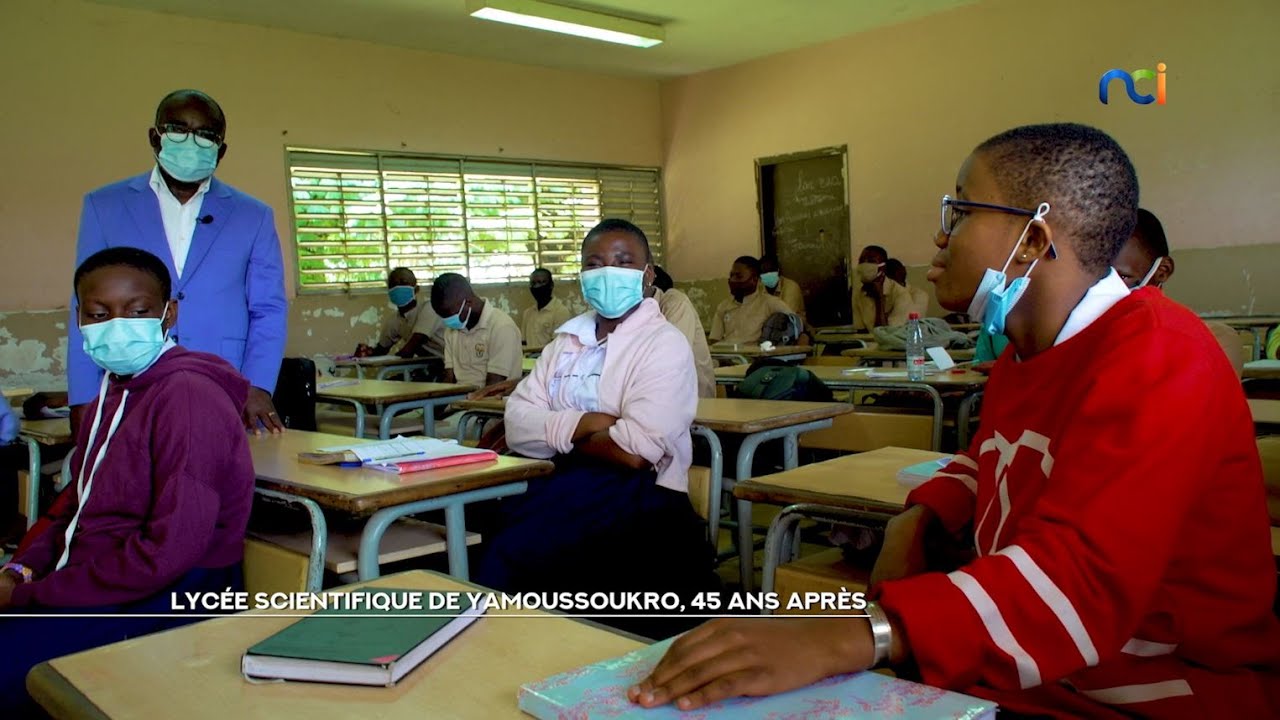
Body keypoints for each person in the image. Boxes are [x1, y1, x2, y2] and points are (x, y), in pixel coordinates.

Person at [630, 123, 1280, 717]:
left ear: (1032, 239)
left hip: (1151, 693)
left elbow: (1077, 589)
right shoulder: (1031, 352)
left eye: (962, 210)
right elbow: (990, 458)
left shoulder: (1160, 352)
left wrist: (856, 637)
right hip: (1031, 675)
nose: (941, 235)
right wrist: (926, 511)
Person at [1, 247, 254, 708]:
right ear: (80, 318)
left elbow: (170, 552)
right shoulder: (114, 390)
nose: (116, 325)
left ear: (168, 313)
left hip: (175, 593)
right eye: (99, 313)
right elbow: (74, 504)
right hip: (99, 574)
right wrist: (20, 568)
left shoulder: (188, 397)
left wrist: (34, 594)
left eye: (137, 311)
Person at [478, 218, 713, 627]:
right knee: (485, 534)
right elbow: (517, 424)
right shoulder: (565, 343)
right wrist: (589, 423)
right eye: (595, 263)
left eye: (623, 261)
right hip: (559, 482)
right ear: (583, 276)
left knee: (525, 554)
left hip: (640, 497)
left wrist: (553, 429)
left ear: (648, 274)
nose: (609, 272)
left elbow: (634, 452)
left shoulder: (663, 344)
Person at [68, 89, 287, 436]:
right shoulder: (104, 205)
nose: (191, 142)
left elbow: (268, 308)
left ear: (222, 150)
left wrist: (258, 385)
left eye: (206, 135)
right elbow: (83, 307)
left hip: (223, 383)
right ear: (155, 138)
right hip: (130, 383)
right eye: (178, 129)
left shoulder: (253, 215)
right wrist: (82, 397)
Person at [1113, 209, 1244, 377]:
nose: (1103, 288)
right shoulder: (1087, 336)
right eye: (1093, 277)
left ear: (1163, 270)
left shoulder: (1215, 340)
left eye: (1122, 276)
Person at [430, 273, 523, 388]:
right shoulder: (452, 330)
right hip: (459, 399)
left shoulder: (501, 327)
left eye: (449, 315)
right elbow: (449, 378)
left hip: (493, 401)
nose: (446, 321)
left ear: (468, 303)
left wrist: (466, 402)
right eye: (442, 316)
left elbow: (495, 386)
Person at [354, 267, 445, 365]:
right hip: (435, 366)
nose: (397, 287)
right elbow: (380, 351)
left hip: (456, 364)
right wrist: (367, 353)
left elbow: (413, 344)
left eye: (403, 283)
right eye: (393, 285)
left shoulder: (429, 308)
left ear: (416, 289)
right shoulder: (394, 322)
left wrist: (394, 357)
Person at [709, 256, 808, 345]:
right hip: (726, 359)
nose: (733, 280)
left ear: (754, 279)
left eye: (739, 276)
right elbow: (714, 340)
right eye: (731, 275)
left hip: (755, 360)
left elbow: (796, 325)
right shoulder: (723, 306)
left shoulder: (770, 303)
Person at [853, 245, 913, 330]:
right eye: (861, 261)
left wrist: (879, 298)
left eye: (871, 261)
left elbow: (886, 334)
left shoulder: (901, 295)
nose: (864, 265)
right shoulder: (859, 293)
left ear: (883, 267)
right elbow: (860, 330)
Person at [522, 268, 572, 348]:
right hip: (529, 359)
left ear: (551, 285)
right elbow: (523, 343)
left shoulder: (560, 312)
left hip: (550, 359)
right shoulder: (528, 313)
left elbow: (557, 345)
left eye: (541, 282)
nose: (537, 287)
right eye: (533, 283)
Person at [759, 254, 806, 319]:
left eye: (771, 270)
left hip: (792, 325)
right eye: (764, 272)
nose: (768, 274)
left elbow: (786, 315)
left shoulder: (791, 287)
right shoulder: (759, 287)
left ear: (778, 271)